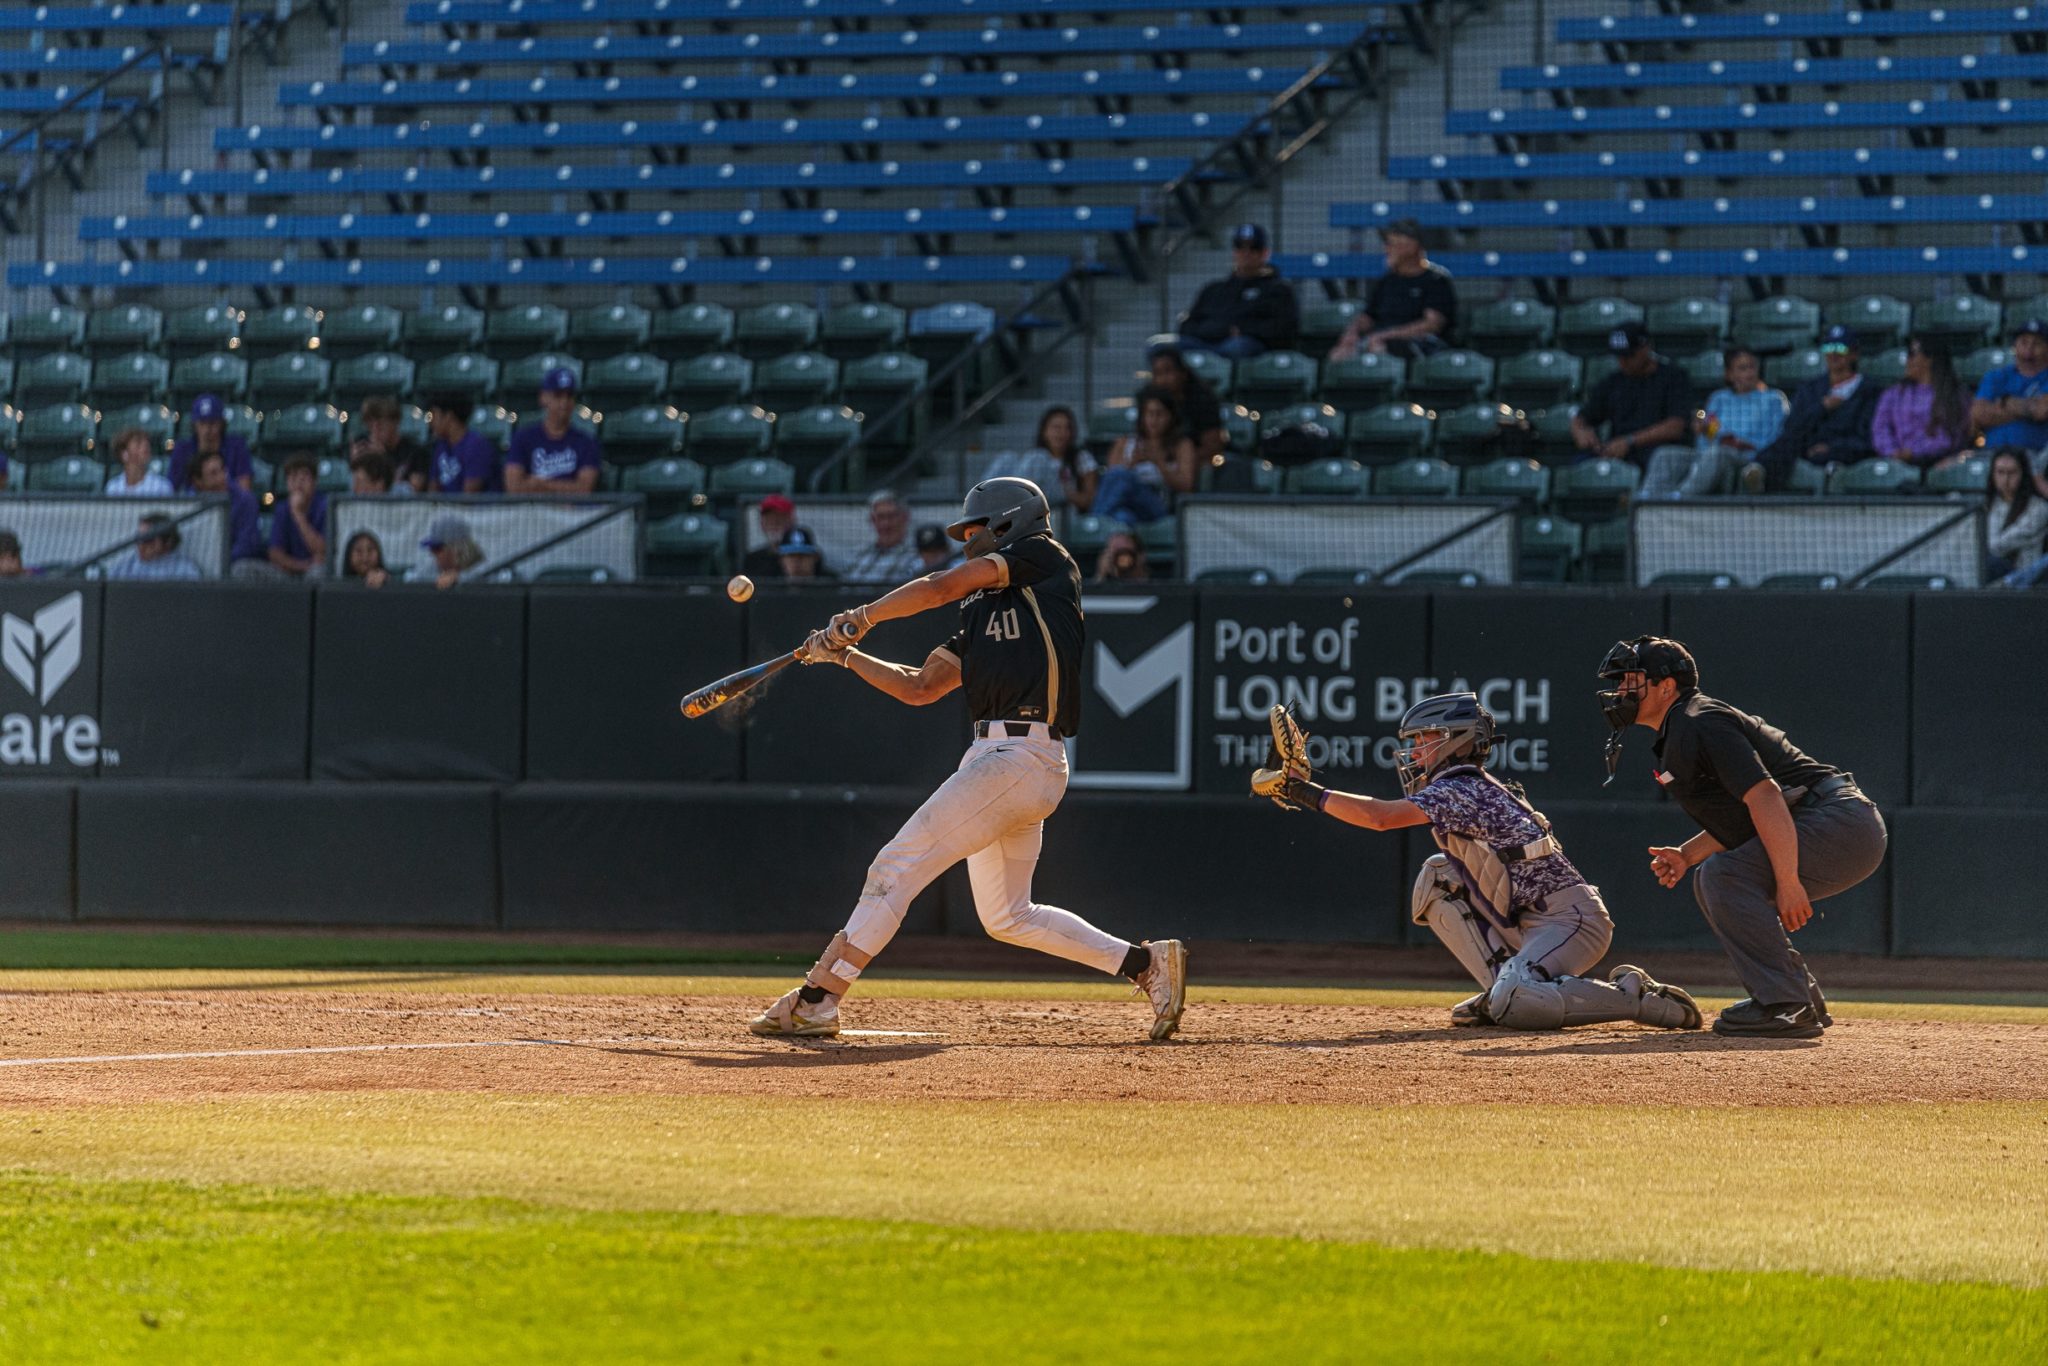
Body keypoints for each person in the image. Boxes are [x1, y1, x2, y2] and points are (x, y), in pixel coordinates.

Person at [748, 476, 1187, 1041]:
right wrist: (846, 656)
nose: (968, 539)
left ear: (1008, 522)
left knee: (894, 867)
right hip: (1000, 760)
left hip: (1020, 756)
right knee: (1008, 916)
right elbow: (921, 686)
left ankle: (818, 999)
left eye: (976, 528)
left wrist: (863, 615)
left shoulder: (1044, 557)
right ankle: (1146, 964)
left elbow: (939, 586)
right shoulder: (981, 612)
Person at [1249, 695, 1701, 1031]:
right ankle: (1502, 992)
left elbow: (1380, 818)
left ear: (1455, 741)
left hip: (1571, 920)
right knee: (1438, 876)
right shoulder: (1460, 784)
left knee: (1519, 998)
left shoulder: (1461, 787)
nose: (1415, 752)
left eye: (1424, 740)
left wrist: (1301, 791)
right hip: (1530, 920)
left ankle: (1634, 997)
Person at [1596, 636, 1887, 1039]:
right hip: (1831, 821)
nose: (1622, 690)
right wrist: (1687, 855)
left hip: (1837, 822)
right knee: (1713, 874)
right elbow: (1748, 818)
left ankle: (1786, 1005)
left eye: (1632, 680)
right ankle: (1797, 999)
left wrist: (1788, 882)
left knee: (1724, 875)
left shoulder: (1699, 719)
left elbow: (1766, 796)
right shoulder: (1683, 725)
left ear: (1666, 687)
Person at [1642, 349, 1787, 499]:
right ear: (1729, 374)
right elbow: (1704, 418)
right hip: (1710, 454)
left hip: (1748, 456)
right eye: (1743, 368)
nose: (1750, 373)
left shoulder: (1773, 399)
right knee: (1664, 455)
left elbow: (1775, 438)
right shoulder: (1718, 398)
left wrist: (1745, 445)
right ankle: (1646, 500)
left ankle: (1680, 498)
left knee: (1716, 453)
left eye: (1752, 367)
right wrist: (1702, 426)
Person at [1753, 324, 1879, 490]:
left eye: (1840, 348)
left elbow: (1866, 437)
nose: (1833, 354)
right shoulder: (1811, 388)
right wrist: (1821, 408)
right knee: (1785, 445)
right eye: (1829, 348)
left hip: (1843, 450)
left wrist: (1832, 447)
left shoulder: (1869, 391)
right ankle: (1756, 473)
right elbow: (1793, 426)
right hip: (1807, 446)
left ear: (1854, 354)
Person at [1327, 217, 1456, 361]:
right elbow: (1368, 316)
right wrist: (1351, 333)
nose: (1387, 249)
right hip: (1380, 338)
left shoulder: (1435, 280)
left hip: (1418, 344)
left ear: (1412, 246)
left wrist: (1385, 335)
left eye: (1392, 244)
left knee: (1377, 348)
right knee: (1339, 354)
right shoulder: (1387, 280)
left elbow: (1431, 324)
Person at [1570, 323, 1691, 468]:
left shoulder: (1673, 377)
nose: (1623, 362)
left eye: (1629, 356)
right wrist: (1581, 432)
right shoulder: (1614, 382)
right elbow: (1581, 418)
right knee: (1583, 463)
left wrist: (1630, 441)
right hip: (1617, 452)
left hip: (1655, 451)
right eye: (1619, 356)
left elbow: (1676, 427)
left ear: (1646, 348)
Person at [1175, 223, 1298, 359]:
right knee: (1167, 347)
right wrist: (1216, 330)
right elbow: (1187, 325)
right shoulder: (1213, 289)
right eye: (1240, 247)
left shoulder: (1278, 290)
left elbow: (1282, 329)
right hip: (1207, 342)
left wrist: (1243, 329)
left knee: (1237, 347)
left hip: (1249, 349)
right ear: (1234, 251)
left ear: (1265, 253)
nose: (1246, 253)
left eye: (1254, 248)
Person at [1095, 386, 1197, 527]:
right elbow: (1111, 482)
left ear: (1171, 417)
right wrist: (1132, 463)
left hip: (1158, 505)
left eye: (1159, 414)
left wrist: (1158, 462)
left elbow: (1186, 485)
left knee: (1123, 476)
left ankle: (1095, 521)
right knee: (1123, 517)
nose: (1154, 420)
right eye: (1149, 414)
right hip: (1127, 506)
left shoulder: (1182, 445)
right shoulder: (1124, 443)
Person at [1872, 335, 1973, 470]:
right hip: (1896, 464)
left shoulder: (1954, 394)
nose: (1907, 361)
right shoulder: (1894, 394)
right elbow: (1880, 428)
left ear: (1929, 359)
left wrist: (1913, 452)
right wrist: (1892, 451)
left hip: (1939, 463)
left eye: (1912, 354)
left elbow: (1950, 436)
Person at [503, 366, 602, 495]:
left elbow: (583, 490)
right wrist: (566, 487)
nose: (564, 402)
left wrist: (540, 483)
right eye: (558, 395)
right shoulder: (523, 438)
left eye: (569, 396)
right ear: (543, 397)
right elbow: (513, 487)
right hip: (531, 506)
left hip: (570, 508)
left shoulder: (586, 442)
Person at [982, 405, 1100, 511]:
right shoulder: (1034, 458)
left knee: (1038, 457)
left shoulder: (1081, 458)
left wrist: (1067, 490)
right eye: (1056, 427)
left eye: (1067, 428)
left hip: (1059, 505)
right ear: (1044, 431)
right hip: (1029, 500)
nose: (1062, 433)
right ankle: (983, 499)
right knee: (1007, 457)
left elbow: (1089, 500)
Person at [1970, 318, 2048, 453]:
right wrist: (2028, 409)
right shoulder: (1996, 377)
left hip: (2038, 455)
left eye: (2037, 344)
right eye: (2024, 342)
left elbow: (2042, 410)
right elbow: (1979, 414)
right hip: (1993, 454)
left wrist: (2004, 403)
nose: (2029, 350)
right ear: (2015, 346)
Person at [1143, 347, 1229, 467]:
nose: (1163, 380)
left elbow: (1213, 446)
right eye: (1157, 373)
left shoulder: (1202, 400)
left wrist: (1181, 462)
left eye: (1168, 371)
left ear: (1183, 373)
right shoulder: (1148, 400)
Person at [189, 448, 267, 577]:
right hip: (198, 563)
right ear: (198, 481)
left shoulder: (245, 500)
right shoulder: (188, 501)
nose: (222, 477)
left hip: (233, 563)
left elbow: (247, 545)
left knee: (240, 569)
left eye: (222, 470)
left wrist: (218, 562)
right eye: (214, 473)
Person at [1984, 447, 2048, 579]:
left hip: (2023, 575)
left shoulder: (2039, 508)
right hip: (1992, 569)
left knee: (1990, 563)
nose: (2005, 479)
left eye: (2012, 473)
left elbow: (1997, 546)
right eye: (2000, 472)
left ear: (2023, 474)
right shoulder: (1988, 505)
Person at [168, 394, 254, 492]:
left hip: (228, 500)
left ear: (221, 424)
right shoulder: (183, 449)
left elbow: (244, 488)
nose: (207, 430)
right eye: (202, 423)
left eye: (212, 423)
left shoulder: (236, 447)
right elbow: (171, 489)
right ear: (194, 425)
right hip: (192, 500)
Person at [841, 489, 925, 585]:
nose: (886, 524)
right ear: (873, 520)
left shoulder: (917, 555)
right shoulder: (859, 554)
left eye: (891, 516)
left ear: (905, 517)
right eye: (880, 517)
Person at [351, 395, 431, 493]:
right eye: (370, 425)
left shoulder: (416, 452)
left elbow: (414, 489)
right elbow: (357, 489)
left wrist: (382, 460)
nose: (375, 430)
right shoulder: (366, 448)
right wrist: (357, 463)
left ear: (395, 422)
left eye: (380, 424)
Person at [267, 453, 328, 578]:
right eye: (294, 476)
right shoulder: (282, 509)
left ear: (315, 482)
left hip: (317, 572)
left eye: (304, 476)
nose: (299, 482)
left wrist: (298, 514)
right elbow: (275, 554)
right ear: (286, 483)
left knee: (318, 571)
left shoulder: (325, 506)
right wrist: (302, 566)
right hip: (288, 572)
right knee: (244, 568)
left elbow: (322, 551)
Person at [425, 394, 500, 494]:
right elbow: (433, 490)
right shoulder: (441, 446)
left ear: (448, 416)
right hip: (445, 504)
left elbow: (469, 496)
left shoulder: (477, 446)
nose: (430, 422)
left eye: (434, 415)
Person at [106, 513, 203, 581]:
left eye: (147, 539)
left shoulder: (184, 570)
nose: (141, 545)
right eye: (138, 537)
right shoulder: (127, 565)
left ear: (167, 542)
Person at [103, 427, 174, 498]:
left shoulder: (161, 486)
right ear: (124, 454)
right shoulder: (113, 487)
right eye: (138, 443)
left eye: (147, 444)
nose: (145, 447)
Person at [421, 513, 486, 589]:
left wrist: (459, 577)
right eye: (431, 548)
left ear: (457, 549)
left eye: (436, 548)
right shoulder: (431, 567)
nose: (432, 553)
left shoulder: (484, 568)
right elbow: (416, 578)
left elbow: (485, 573)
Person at [741, 494, 797, 580]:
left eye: (779, 518)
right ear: (762, 524)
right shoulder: (753, 560)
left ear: (791, 520)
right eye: (768, 519)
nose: (774, 523)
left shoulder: (804, 558)